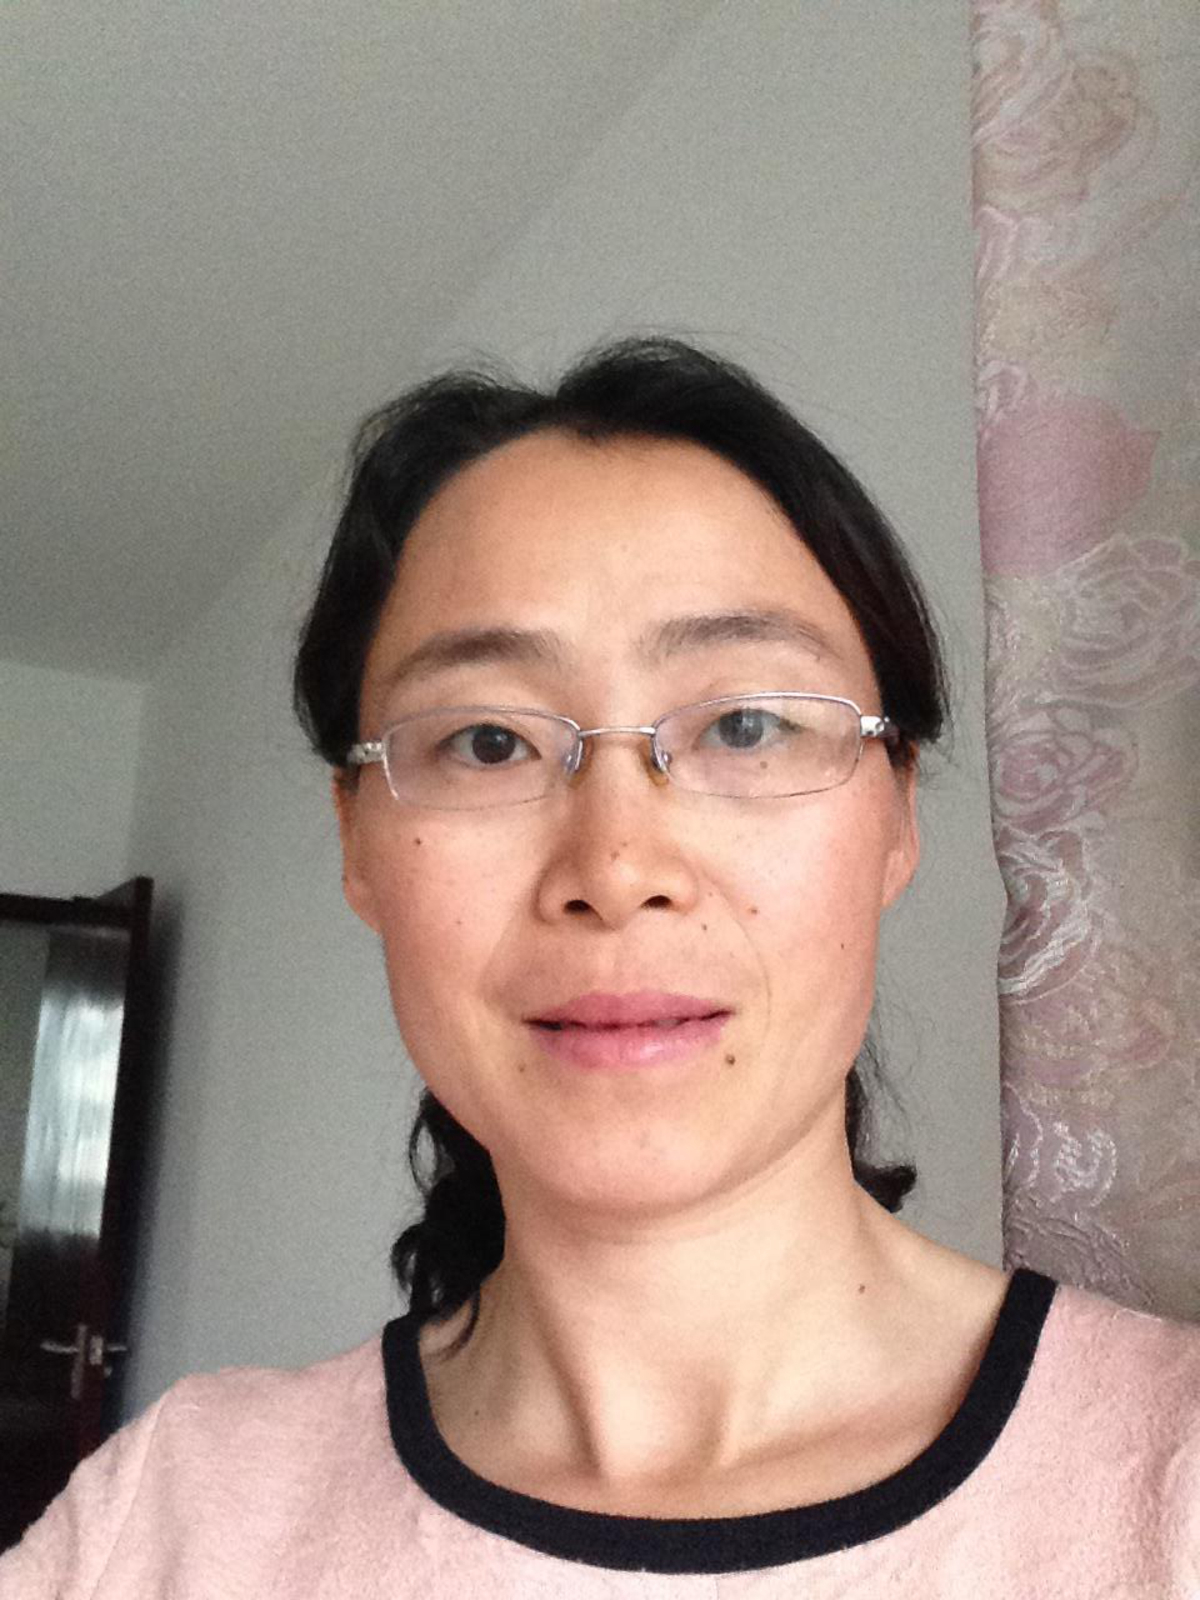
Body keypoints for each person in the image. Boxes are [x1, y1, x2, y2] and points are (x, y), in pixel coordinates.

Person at [3, 337, 1198, 1597]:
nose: (618, 865)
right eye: (487, 741)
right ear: (355, 838)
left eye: (745, 723)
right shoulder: (174, 1512)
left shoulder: (1167, 1484)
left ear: (897, 812)